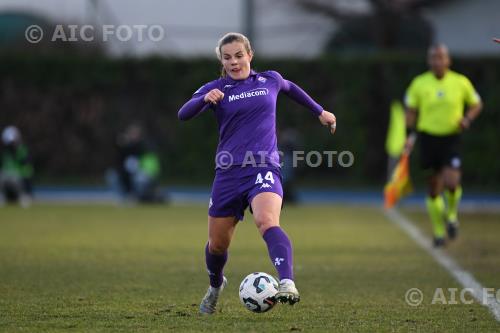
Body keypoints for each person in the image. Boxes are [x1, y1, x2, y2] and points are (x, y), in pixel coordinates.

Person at [178, 32, 336, 314]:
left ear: (250, 55)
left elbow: (290, 88)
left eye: (239, 55)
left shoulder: (269, 80)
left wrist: (320, 111)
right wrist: (204, 100)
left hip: (263, 166)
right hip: (228, 173)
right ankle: (215, 286)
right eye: (227, 58)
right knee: (217, 245)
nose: (234, 62)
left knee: (266, 221)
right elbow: (183, 114)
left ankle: (287, 282)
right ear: (222, 61)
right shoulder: (215, 87)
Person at [404, 44, 482, 247]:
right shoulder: (419, 83)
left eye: (441, 57)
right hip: (428, 138)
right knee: (433, 189)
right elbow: (411, 111)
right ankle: (439, 232)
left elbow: (476, 104)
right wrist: (408, 135)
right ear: (429, 61)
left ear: (448, 60)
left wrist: (467, 119)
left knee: (452, 183)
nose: (437, 61)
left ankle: (452, 215)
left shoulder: (460, 82)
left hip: (451, 139)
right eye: (433, 58)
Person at [0, 126, 34, 207]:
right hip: (5, 179)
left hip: (18, 179)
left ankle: (23, 196)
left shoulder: (22, 150)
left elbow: (27, 169)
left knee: (16, 177)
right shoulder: (3, 152)